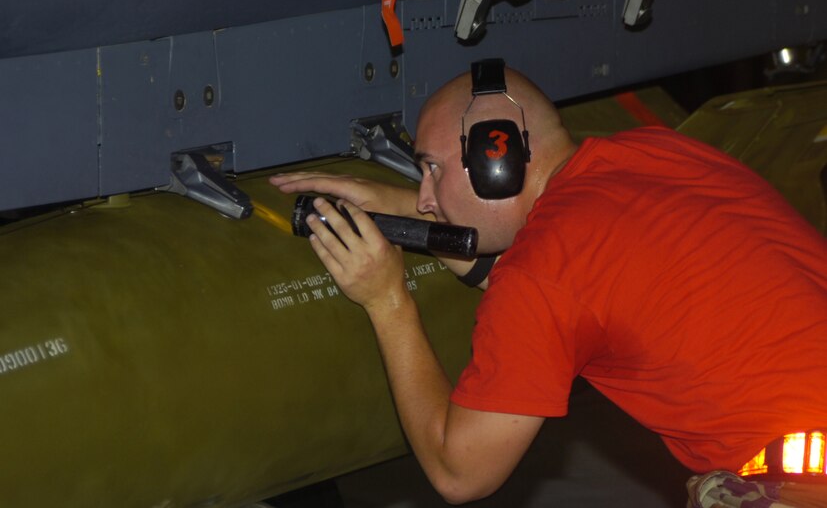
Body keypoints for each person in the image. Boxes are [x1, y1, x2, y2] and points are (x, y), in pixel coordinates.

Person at [270, 63, 827, 507]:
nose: (423, 196)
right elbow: (564, 295)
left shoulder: (545, 272)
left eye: (433, 169)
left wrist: (386, 299)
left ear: (497, 156)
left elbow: (458, 472)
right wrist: (398, 215)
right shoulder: (658, 154)